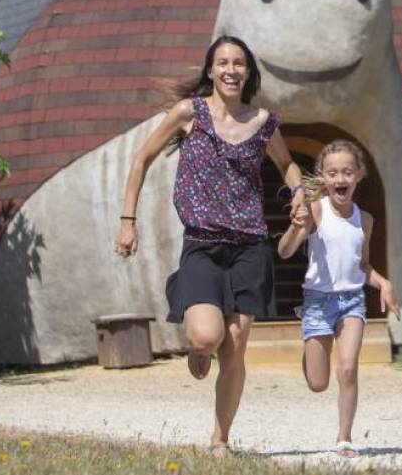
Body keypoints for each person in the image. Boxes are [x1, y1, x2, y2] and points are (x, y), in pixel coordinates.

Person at [114, 34, 304, 457]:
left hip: (250, 245)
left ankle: (220, 441)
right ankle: (195, 341)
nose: (231, 70)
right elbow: (142, 158)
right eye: (223, 63)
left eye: (239, 63)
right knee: (206, 337)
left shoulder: (264, 122)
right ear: (210, 71)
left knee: (234, 350)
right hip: (202, 243)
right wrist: (127, 220)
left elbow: (287, 164)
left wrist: (299, 194)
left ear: (249, 72)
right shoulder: (189, 113)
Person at [278, 139, 399, 458]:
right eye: (333, 173)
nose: (340, 179)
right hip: (317, 302)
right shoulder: (316, 211)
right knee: (318, 383)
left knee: (347, 369)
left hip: (351, 302)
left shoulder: (366, 220)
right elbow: (285, 251)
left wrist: (383, 282)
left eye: (347, 172)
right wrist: (295, 228)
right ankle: (310, 352)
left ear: (359, 175)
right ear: (323, 176)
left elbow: (363, 265)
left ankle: (345, 438)